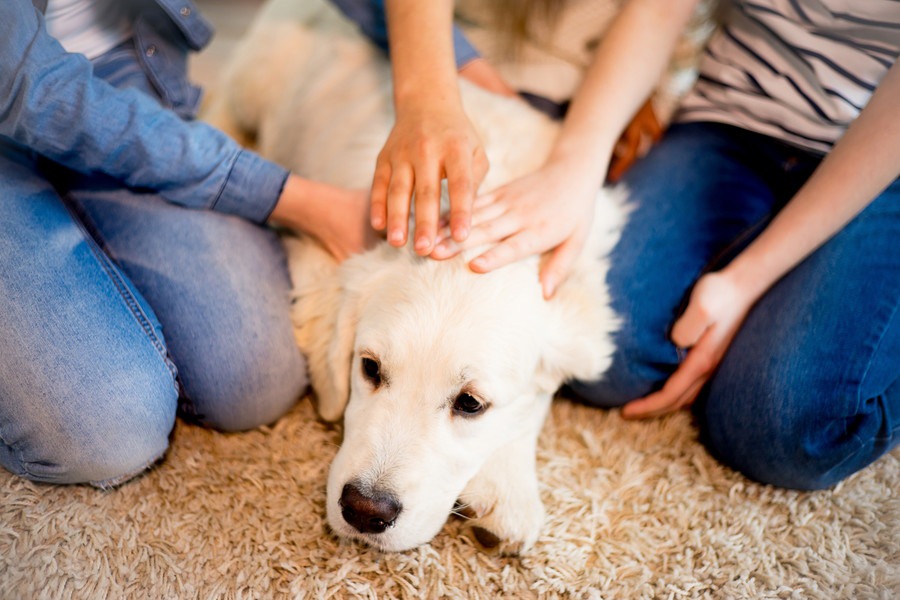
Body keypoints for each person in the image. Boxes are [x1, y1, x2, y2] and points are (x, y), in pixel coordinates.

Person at [333, 0, 900, 490]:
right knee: (612, 362)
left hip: (881, 156)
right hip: (731, 116)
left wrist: (749, 279)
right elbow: (657, 8)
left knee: (782, 429)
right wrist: (576, 166)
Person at [0, 0, 373, 487]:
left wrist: (442, 85)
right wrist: (288, 197)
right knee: (111, 433)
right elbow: (29, 89)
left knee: (256, 378)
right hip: (19, 81)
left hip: (111, 64)